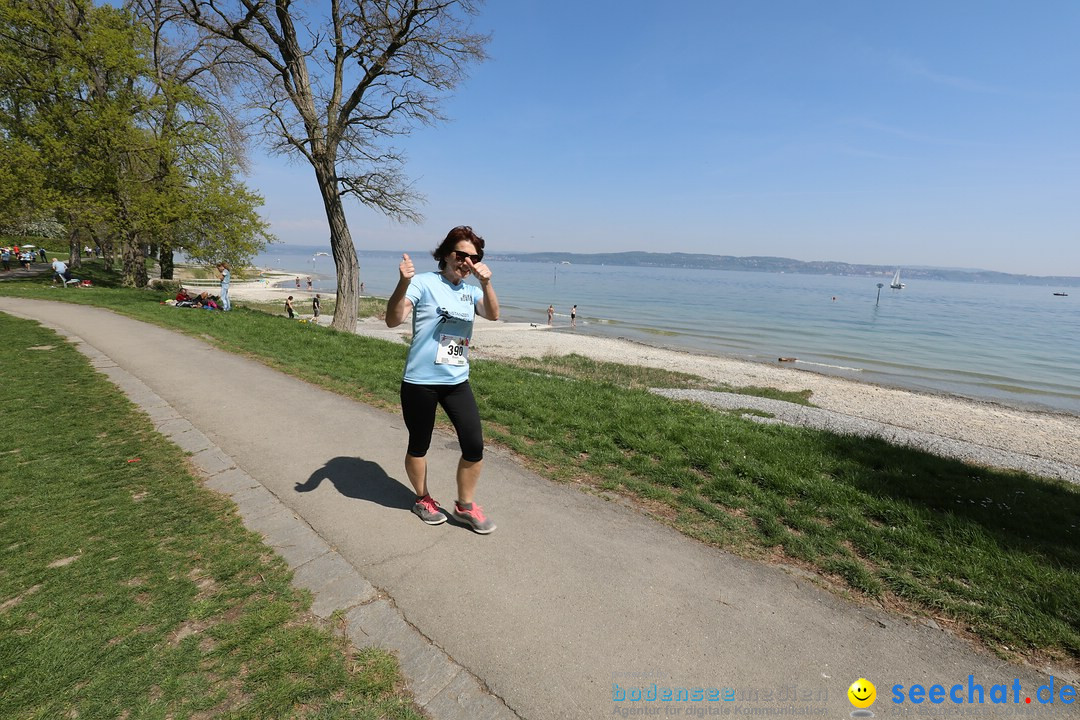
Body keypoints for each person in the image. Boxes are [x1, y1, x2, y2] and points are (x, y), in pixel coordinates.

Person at [385, 225, 500, 534]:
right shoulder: (422, 283)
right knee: (419, 444)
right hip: (420, 381)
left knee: (474, 445)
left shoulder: (471, 290)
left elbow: (493, 314)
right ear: (446, 254)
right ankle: (422, 499)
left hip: (456, 381)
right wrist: (402, 283)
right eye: (461, 254)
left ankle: (464, 506)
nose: (467, 262)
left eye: (473, 258)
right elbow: (393, 319)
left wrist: (487, 284)